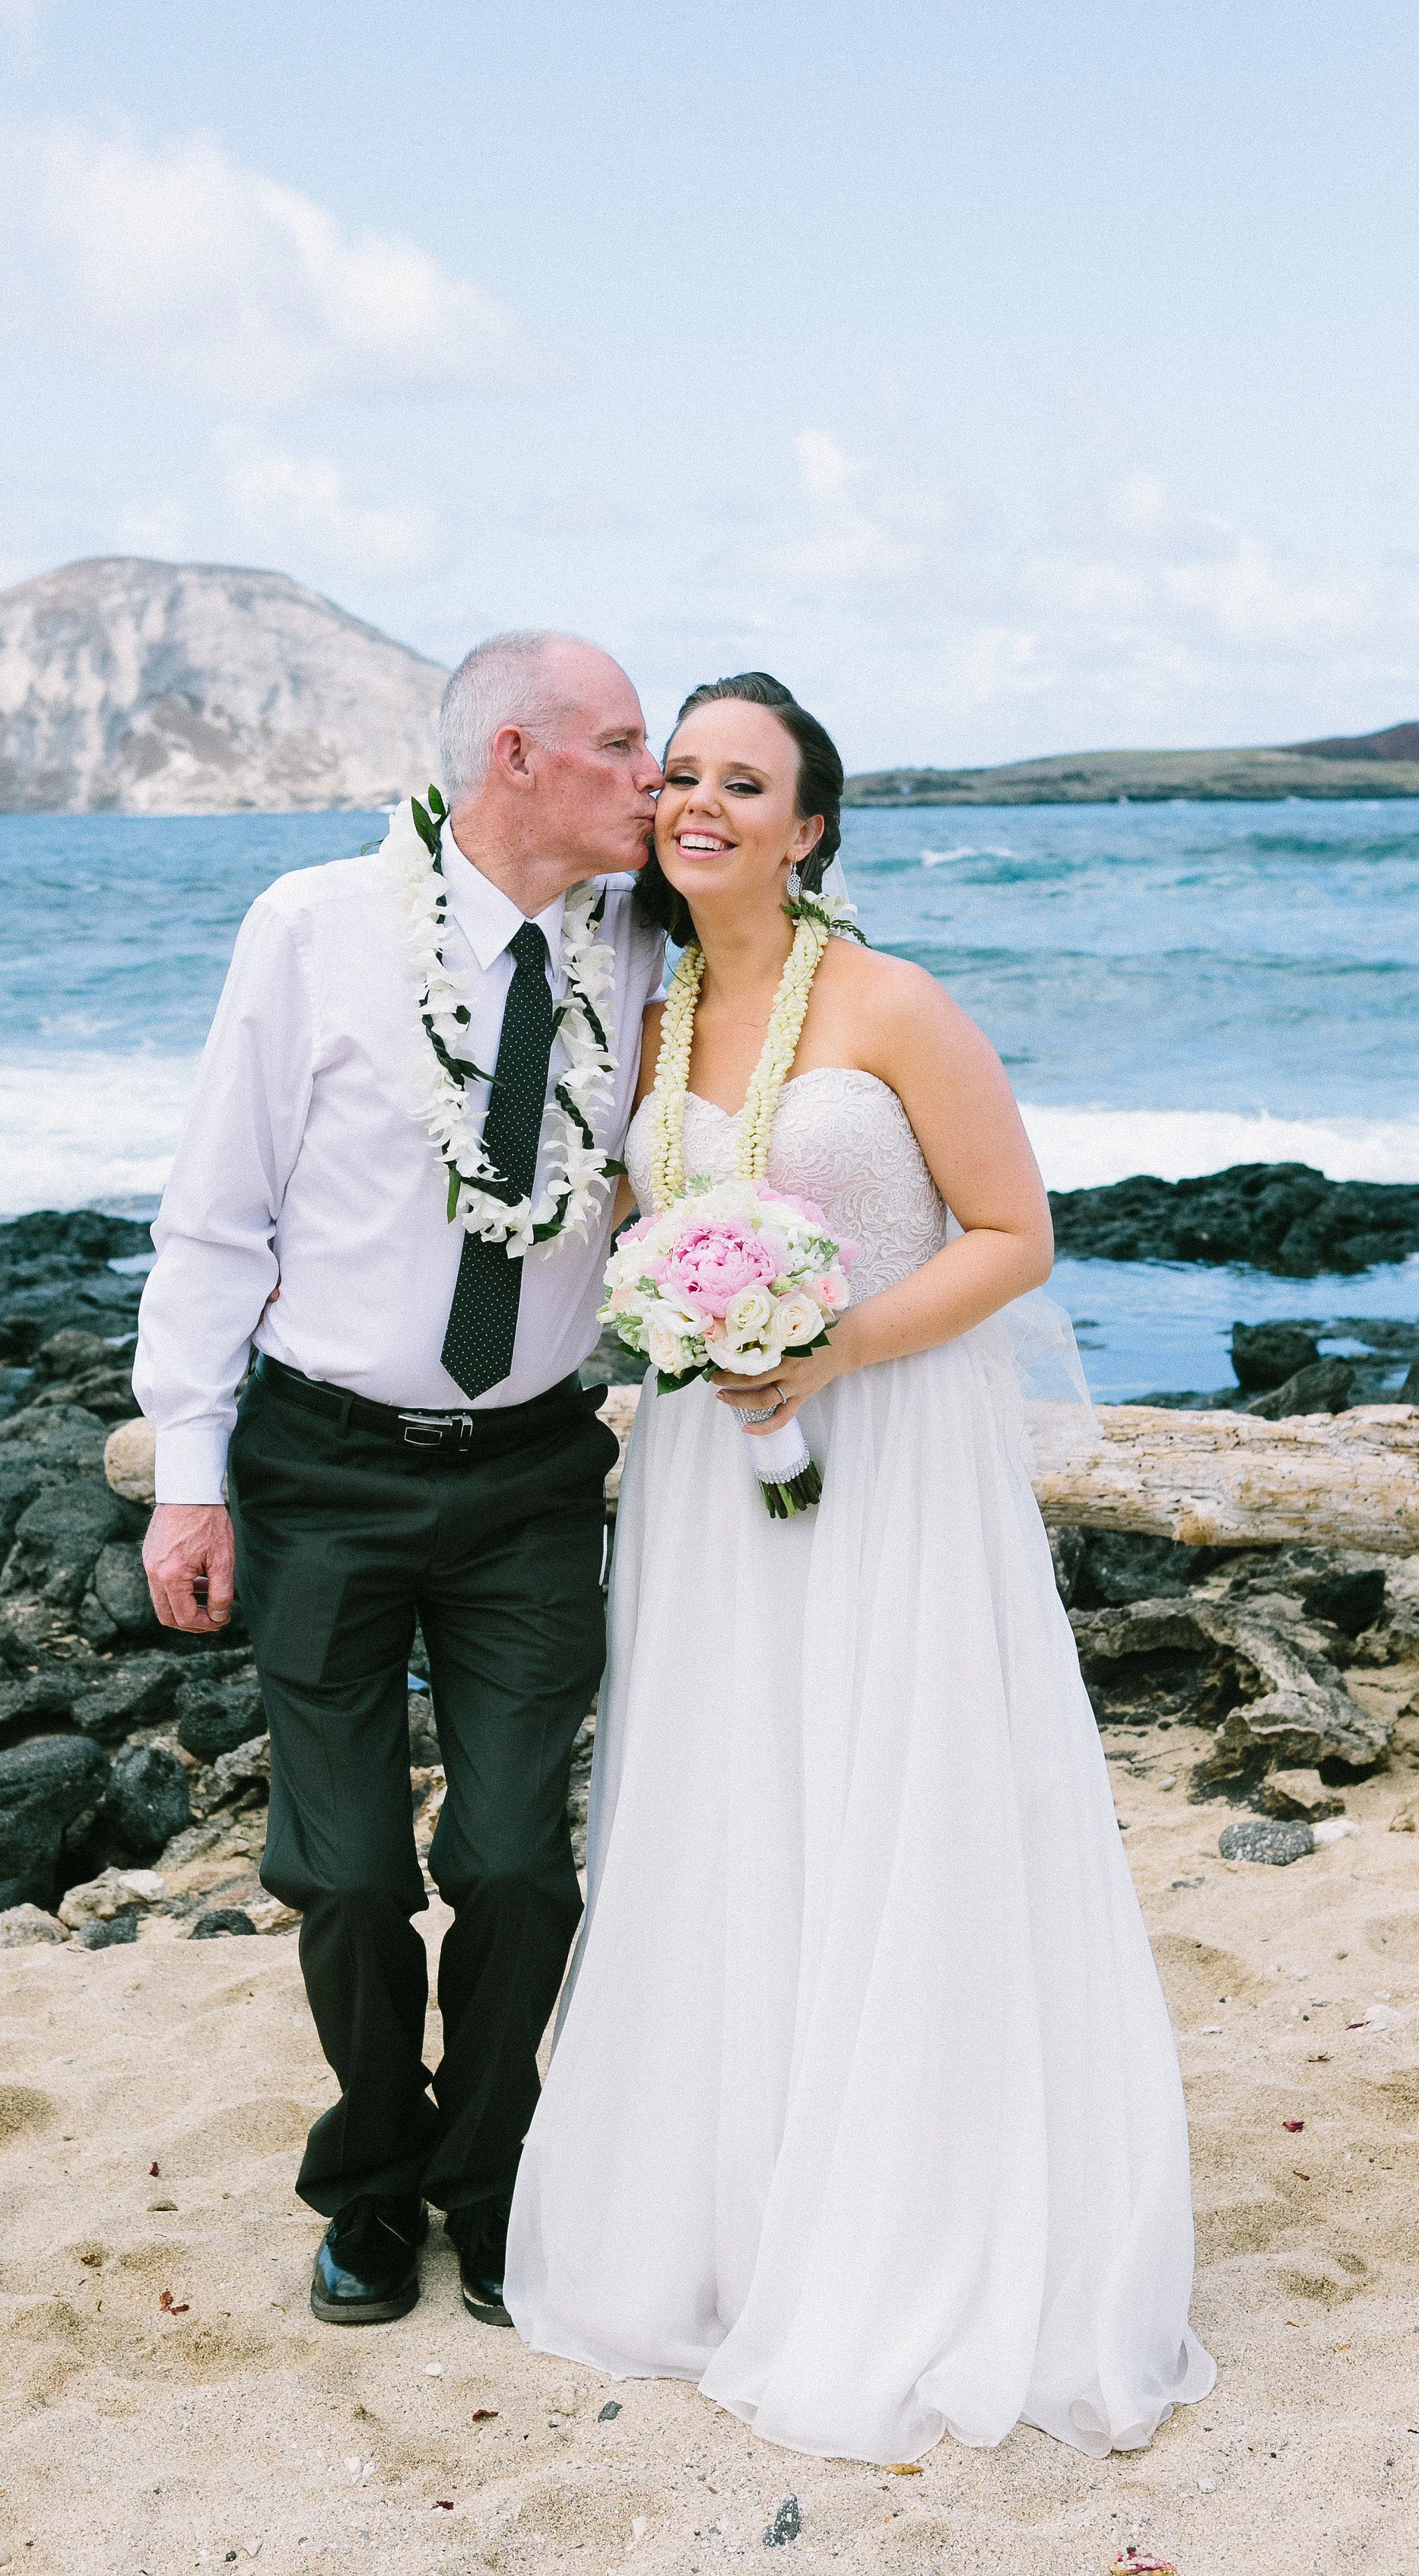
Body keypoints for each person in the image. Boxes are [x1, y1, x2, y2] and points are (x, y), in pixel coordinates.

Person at [504, 672, 1216, 2463]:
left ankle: (915, 2230)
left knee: (902, 1811)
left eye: (745, 783)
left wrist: (829, 1347)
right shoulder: (648, 1021)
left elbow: (1016, 1235)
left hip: (887, 1462)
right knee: (736, 1814)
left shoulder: (893, 1002)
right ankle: (741, 2225)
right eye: (678, 774)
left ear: (807, 826)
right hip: (705, 1476)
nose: (700, 804)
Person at [132, 632, 665, 2329]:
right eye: (623, 746)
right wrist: (189, 1477)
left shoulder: (647, 947)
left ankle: (492, 2182)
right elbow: (217, 1219)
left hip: (527, 1471)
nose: (649, 779)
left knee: (517, 1862)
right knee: (347, 1868)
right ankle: (370, 2181)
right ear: (515, 755)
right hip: (322, 1465)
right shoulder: (311, 930)